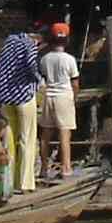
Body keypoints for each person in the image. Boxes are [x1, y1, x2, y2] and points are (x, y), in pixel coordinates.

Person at [0, 27, 41, 193]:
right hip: (24, 96)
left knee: (9, 141)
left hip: (7, 97)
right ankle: (25, 183)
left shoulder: (9, 42)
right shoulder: (30, 44)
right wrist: (39, 80)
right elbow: (32, 65)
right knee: (27, 140)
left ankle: (8, 182)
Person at [37, 23, 80, 181]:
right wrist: (74, 98)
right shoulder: (70, 59)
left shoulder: (44, 59)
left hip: (49, 95)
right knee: (64, 134)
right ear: (67, 40)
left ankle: (43, 168)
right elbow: (75, 83)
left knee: (45, 134)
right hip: (64, 96)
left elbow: (42, 77)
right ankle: (66, 168)